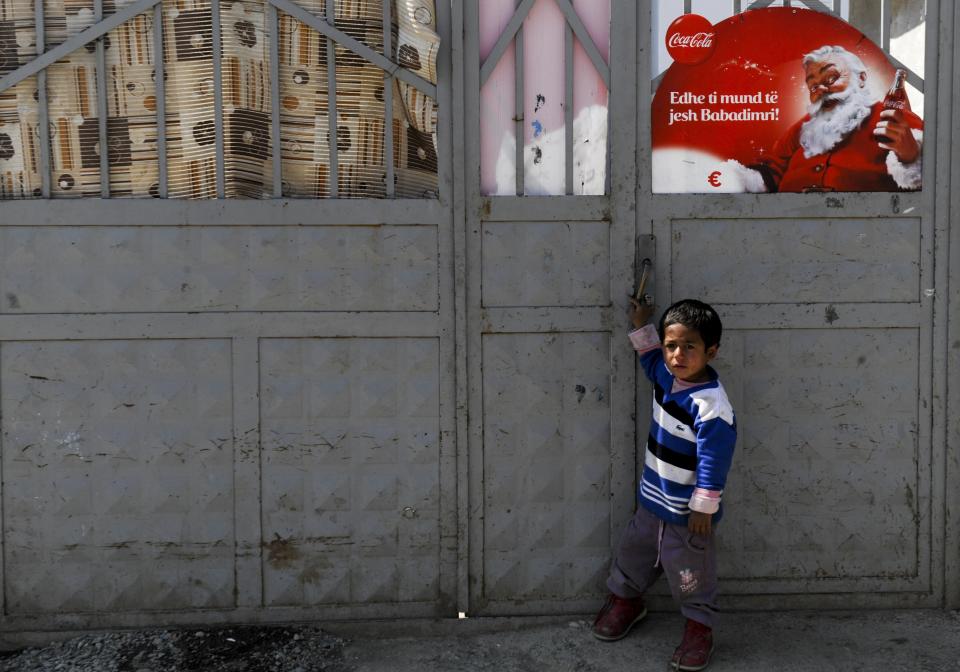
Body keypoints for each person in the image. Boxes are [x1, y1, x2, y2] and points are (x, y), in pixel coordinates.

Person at [592, 298, 737, 672]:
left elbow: (714, 460)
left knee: (692, 574)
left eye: (689, 347)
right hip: (652, 501)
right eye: (672, 345)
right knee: (633, 554)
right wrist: (641, 324)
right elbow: (648, 357)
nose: (677, 355)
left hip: (690, 517)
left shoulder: (710, 406)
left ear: (712, 351)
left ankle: (698, 627)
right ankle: (627, 601)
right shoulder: (666, 376)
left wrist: (704, 508)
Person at [728, 44, 922, 192]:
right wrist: (737, 179)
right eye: (813, 87)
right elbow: (773, 168)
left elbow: (935, 175)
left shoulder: (893, 118)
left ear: (861, 79)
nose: (820, 91)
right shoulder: (803, 127)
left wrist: (911, 155)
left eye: (831, 78)